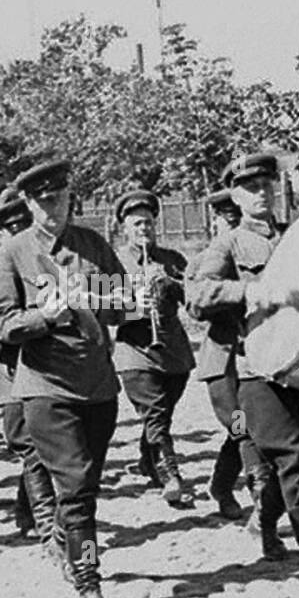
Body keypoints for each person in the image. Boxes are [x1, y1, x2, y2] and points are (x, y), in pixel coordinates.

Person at [188, 153, 299, 596]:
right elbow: (197, 296)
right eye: (250, 188)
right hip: (250, 367)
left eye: (266, 186)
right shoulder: (229, 245)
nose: (261, 194)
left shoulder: (298, 237)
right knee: (290, 457)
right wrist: (254, 292)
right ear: (235, 195)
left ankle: (266, 524)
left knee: (280, 465)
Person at [0, 159, 128, 598]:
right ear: (28, 204)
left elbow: (123, 303)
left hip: (98, 385)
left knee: (86, 485)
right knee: (77, 486)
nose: (54, 209)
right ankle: (89, 580)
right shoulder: (14, 253)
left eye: (61, 199)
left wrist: (106, 300)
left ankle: (64, 542)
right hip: (45, 388)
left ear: (71, 197)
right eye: (44, 202)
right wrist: (46, 317)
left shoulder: (92, 244)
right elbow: (0, 324)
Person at [113, 188, 211, 514]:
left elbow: (195, 304)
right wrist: (132, 303)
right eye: (137, 224)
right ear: (124, 227)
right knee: (155, 413)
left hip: (174, 352)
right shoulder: (112, 262)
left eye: (149, 223)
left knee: (162, 416)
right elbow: (99, 308)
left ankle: (147, 459)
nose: (144, 229)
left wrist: (173, 284)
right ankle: (171, 476)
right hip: (134, 350)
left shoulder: (171, 259)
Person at [0, 188, 61, 553]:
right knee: (30, 449)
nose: (18, 235)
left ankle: (28, 513)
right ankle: (46, 529)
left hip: (56, 373)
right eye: (10, 230)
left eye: (23, 226)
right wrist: (34, 320)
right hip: (12, 376)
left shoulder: (55, 268)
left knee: (45, 451)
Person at [197, 188, 257, 524]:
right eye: (224, 219)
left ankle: (221, 485)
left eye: (235, 219)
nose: (230, 226)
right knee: (241, 429)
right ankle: (254, 493)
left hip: (257, 358)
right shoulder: (203, 263)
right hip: (221, 362)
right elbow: (198, 306)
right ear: (214, 222)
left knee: (248, 429)